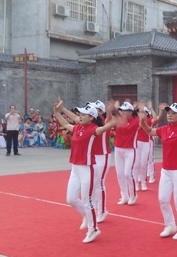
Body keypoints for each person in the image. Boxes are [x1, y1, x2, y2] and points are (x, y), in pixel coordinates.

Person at [53, 99, 117, 243]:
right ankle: (87, 217)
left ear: (92, 117)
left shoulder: (93, 129)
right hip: (75, 168)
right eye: (80, 114)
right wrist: (57, 112)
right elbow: (64, 123)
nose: (80, 116)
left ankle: (93, 229)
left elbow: (104, 128)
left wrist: (114, 120)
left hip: (87, 168)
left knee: (88, 201)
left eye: (84, 114)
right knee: (71, 199)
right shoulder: (77, 128)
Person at [139, 102, 177, 239]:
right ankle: (170, 225)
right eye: (168, 112)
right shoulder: (164, 129)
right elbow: (149, 131)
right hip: (166, 170)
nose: (169, 115)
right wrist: (142, 121)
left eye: (173, 113)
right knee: (162, 199)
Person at [113, 102, 140, 205]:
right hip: (118, 149)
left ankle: (133, 195)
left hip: (130, 150)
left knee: (128, 173)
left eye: (125, 110)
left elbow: (143, 122)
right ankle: (124, 195)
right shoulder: (119, 120)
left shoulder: (136, 121)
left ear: (130, 111)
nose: (123, 112)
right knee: (120, 174)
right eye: (122, 110)